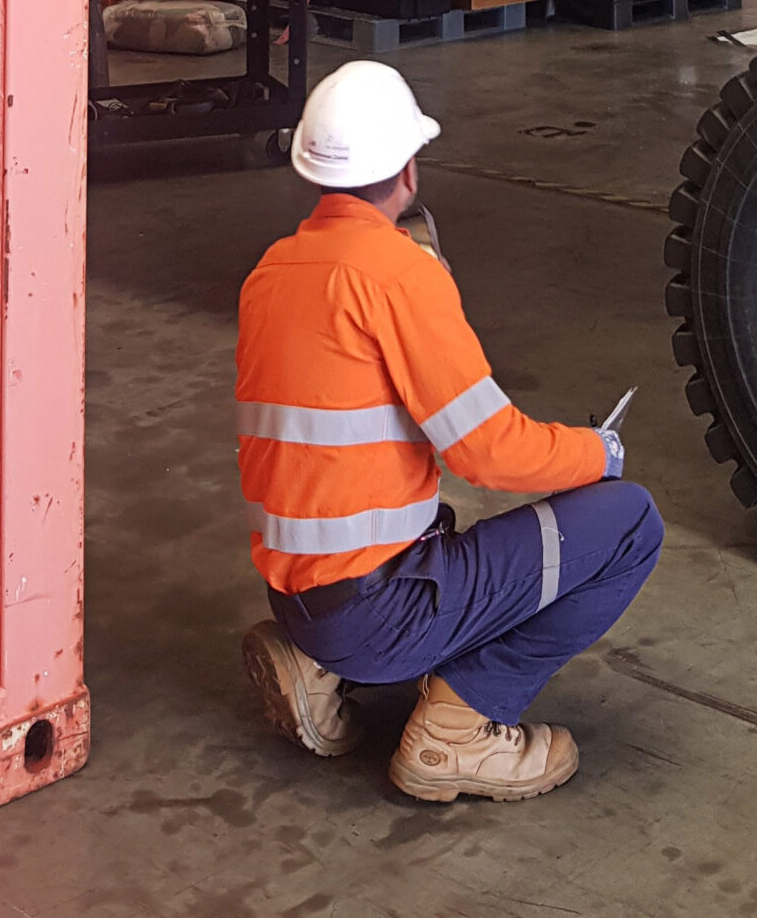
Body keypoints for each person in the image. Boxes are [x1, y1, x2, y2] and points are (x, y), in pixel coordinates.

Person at [236, 58, 663, 802]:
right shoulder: (397, 274)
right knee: (629, 524)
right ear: (408, 167)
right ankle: (460, 729)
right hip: (379, 610)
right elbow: (488, 451)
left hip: (301, 597)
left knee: (431, 517)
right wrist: (597, 450)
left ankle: (319, 661)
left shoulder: (272, 271)